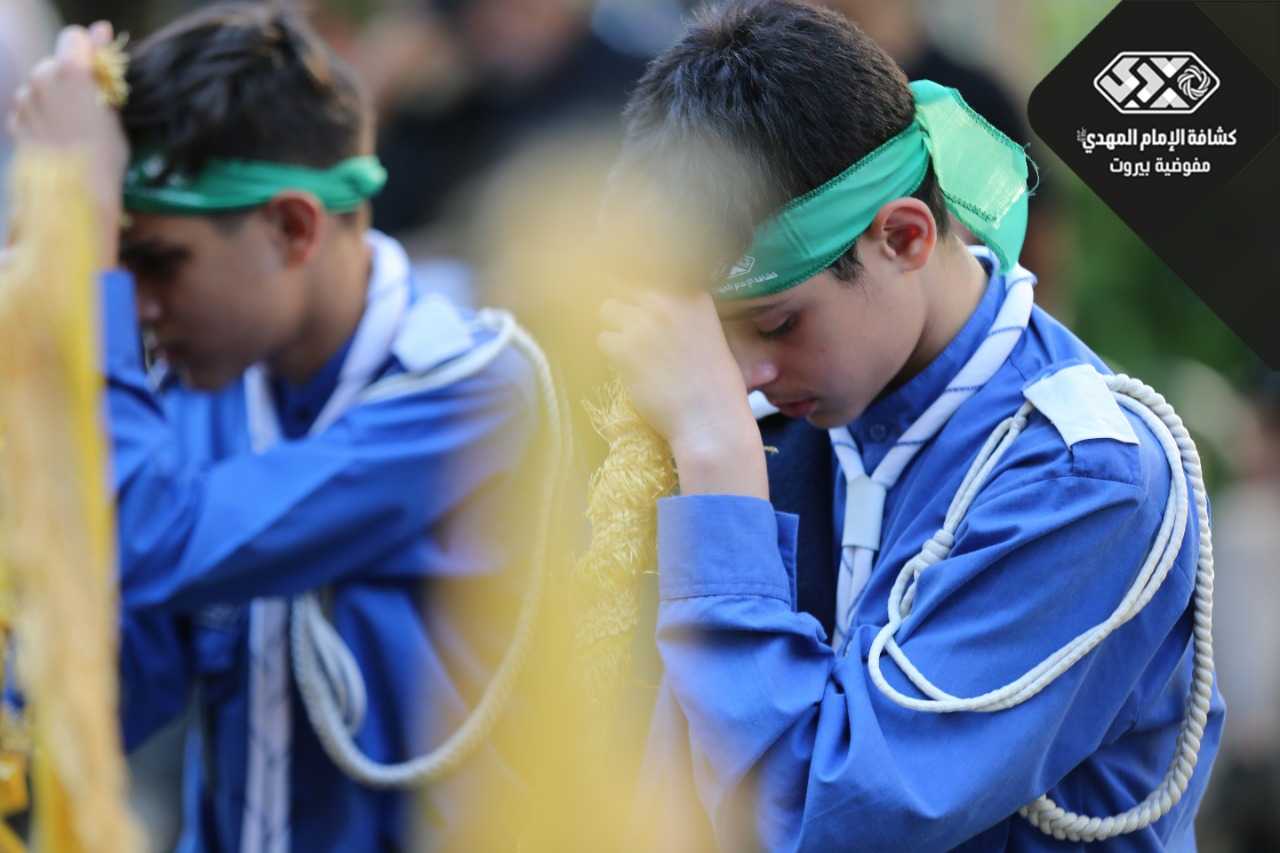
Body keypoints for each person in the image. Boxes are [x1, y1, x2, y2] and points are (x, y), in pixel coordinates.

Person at [596, 1, 1223, 849]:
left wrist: (717, 468)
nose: (739, 376)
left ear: (902, 236)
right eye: (709, 340)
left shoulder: (1087, 479)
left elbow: (823, 818)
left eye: (776, 323)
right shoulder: (781, 421)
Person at [9, 7, 544, 850]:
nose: (135, 308)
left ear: (294, 228)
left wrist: (81, 260)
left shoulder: (467, 391)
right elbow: (111, 685)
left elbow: (152, 536)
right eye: (118, 266)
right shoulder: (210, 386)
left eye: (156, 262)